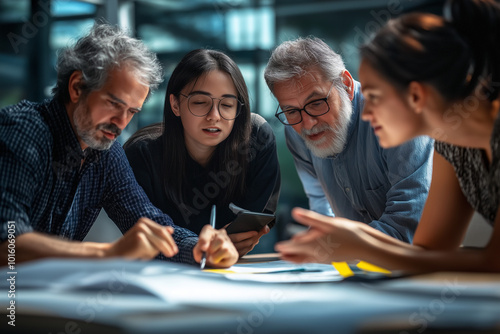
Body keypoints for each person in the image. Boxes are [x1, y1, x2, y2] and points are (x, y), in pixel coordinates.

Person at [276, 0, 500, 273]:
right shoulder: (452, 143)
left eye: (374, 96)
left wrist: (363, 245)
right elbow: (429, 253)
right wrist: (357, 241)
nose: (366, 113)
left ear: (416, 95)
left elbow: (494, 261)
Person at [0, 23, 238, 268]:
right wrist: (107, 253)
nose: (121, 123)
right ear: (76, 87)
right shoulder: (23, 131)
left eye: (132, 111)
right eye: (113, 104)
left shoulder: (105, 151)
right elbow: (6, 245)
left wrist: (201, 249)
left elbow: (149, 222)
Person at [264, 37, 434, 243]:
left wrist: (336, 246)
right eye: (290, 110)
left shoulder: (395, 116)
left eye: (316, 103)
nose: (308, 124)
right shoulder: (296, 130)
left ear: (346, 84)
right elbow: (321, 211)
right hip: (354, 266)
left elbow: (407, 229)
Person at [125, 49, 281, 257]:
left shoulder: (256, 139)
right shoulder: (142, 155)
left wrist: (236, 241)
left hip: (237, 266)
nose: (214, 116)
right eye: (200, 102)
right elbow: (147, 236)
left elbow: (255, 223)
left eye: (227, 105)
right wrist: (201, 249)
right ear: (175, 104)